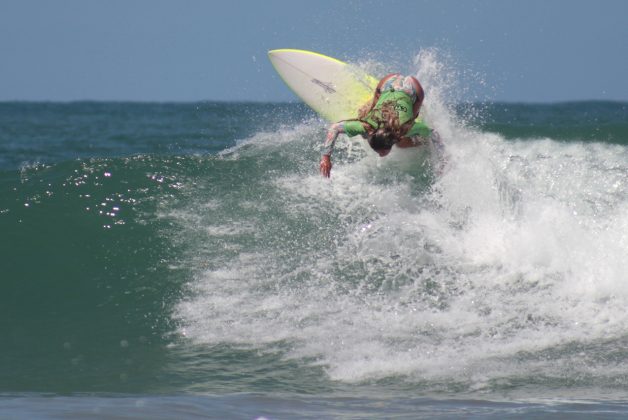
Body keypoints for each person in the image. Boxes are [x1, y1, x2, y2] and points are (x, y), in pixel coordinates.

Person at [319, 73, 438, 177]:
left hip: (413, 89)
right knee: (364, 121)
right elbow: (334, 128)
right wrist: (325, 157)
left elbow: (433, 133)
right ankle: (380, 103)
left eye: (381, 152)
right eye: (379, 152)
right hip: (387, 83)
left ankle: (423, 143)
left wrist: (442, 158)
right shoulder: (367, 125)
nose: (381, 156)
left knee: (403, 142)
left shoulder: (404, 129)